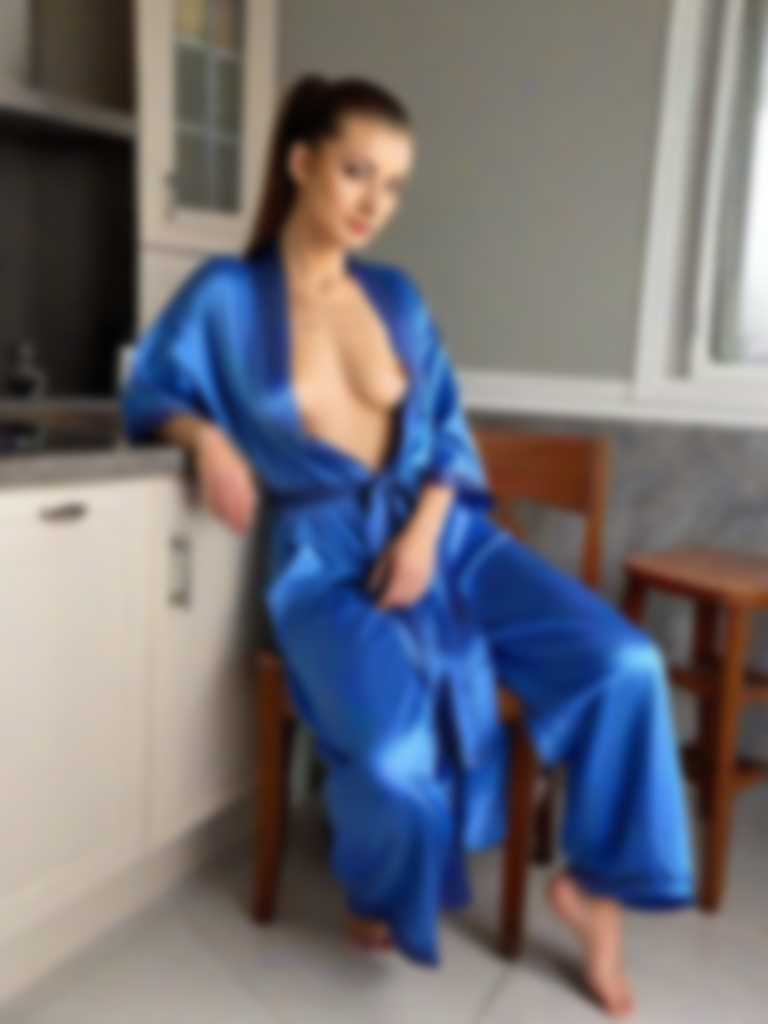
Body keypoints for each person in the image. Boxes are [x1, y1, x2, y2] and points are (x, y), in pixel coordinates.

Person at [120, 73, 696, 1018]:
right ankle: (381, 879)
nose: (373, 204)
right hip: (323, 558)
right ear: (301, 162)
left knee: (626, 663)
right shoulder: (227, 296)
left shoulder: (396, 295)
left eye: (392, 186)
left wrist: (428, 535)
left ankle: (598, 892)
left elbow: (449, 438)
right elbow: (151, 390)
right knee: (390, 759)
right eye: (356, 172)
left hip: (448, 533)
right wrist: (208, 438)